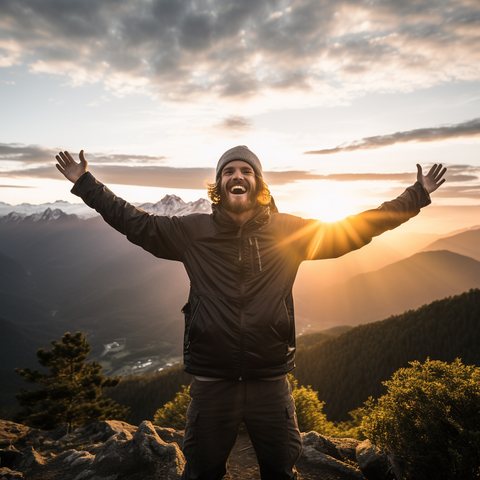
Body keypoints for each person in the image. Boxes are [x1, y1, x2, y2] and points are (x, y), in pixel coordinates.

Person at [55, 146, 446, 479]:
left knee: (280, 470)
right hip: (211, 382)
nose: (236, 176)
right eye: (228, 171)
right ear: (218, 185)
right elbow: (133, 221)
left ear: (259, 184)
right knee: (203, 471)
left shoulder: (288, 232)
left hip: (269, 380)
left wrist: (416, 196)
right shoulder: (191, 232)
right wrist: (85, 183)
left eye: (245, 170)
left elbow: (358, 227)